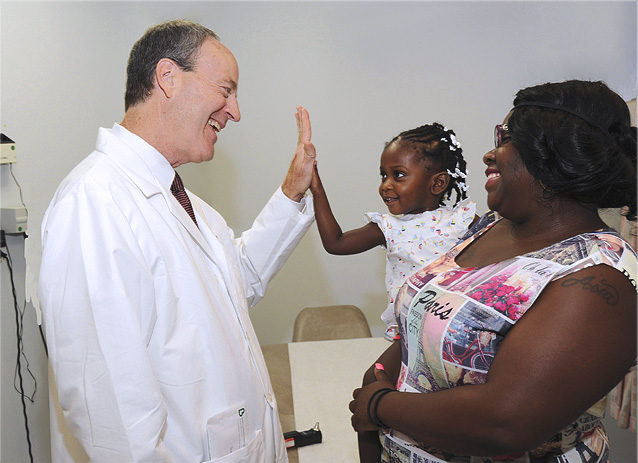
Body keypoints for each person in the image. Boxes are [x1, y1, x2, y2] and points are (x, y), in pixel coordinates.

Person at [38, 20, 317, 463]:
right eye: (226, 90)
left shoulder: (189, 206)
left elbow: (230, 285)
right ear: (168, 78)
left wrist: (291, 193)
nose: (235, 112)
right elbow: (112, 415)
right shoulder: (95, 201)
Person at [349, 80, 637, 463]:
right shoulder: (490, 226)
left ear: (549, 151)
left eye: (505, 137)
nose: (489, 153)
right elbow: (429, 315)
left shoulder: (599, 276)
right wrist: (385, 368)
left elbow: (505, 423)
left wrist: (379, 406)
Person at [310, 123, 477, 339]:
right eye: (383, 176)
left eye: (398, 175)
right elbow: (336, 243)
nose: (385, 185)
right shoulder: (389, 227)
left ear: (438, 183)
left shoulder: (463, 221)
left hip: (453, 332)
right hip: (407, 333)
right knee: (375, 375)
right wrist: (317, 191)